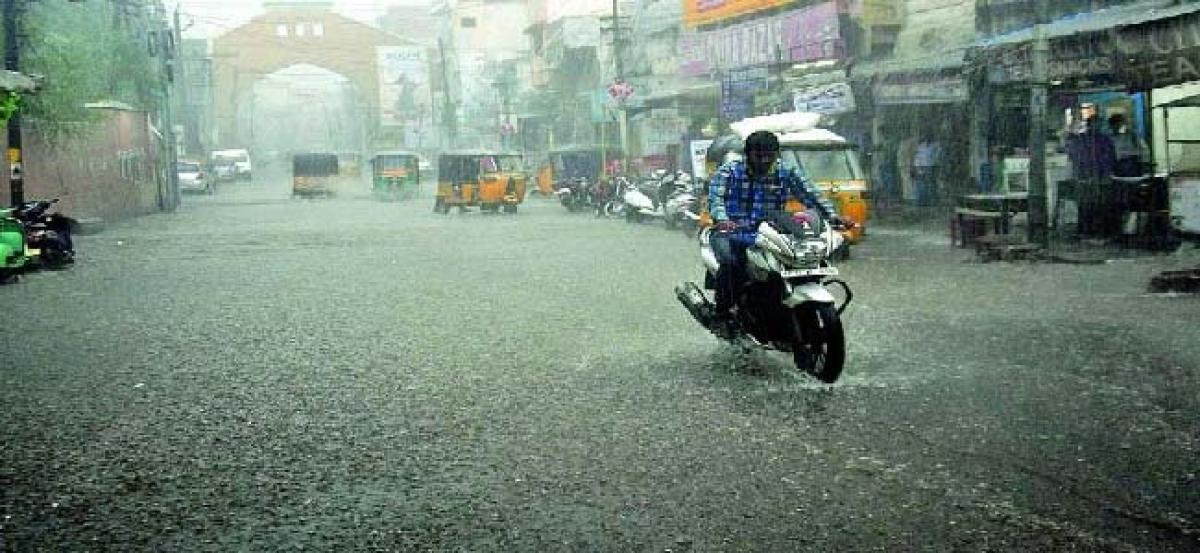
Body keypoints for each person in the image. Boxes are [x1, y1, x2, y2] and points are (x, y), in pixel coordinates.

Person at [707, 130, 848, 330]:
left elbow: (810, 194)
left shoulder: (786, 171)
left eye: (769, 155)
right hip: (731, 231)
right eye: (759, 156)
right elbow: (716, 199)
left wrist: (832, 216)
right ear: (747, 154)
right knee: (731, 264)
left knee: (799, 259)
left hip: (771, 231)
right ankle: (721, 315)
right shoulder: (728, 171)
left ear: (776, 154)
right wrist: (722, 219)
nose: (764, 161)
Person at [1066, 103, 1116, 237]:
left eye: (1098, 124)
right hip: (1086, 176)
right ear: (1089, 125)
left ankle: (1096, 231)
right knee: (1086, 204)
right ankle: (1086, 231)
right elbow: (1076, 157)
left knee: (1099, 205)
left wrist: (1106, 174)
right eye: (1094, 124)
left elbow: (1110, 158)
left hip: (1098, 176)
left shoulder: (1104, 140)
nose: (1096, 127)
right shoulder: (1082, 140)